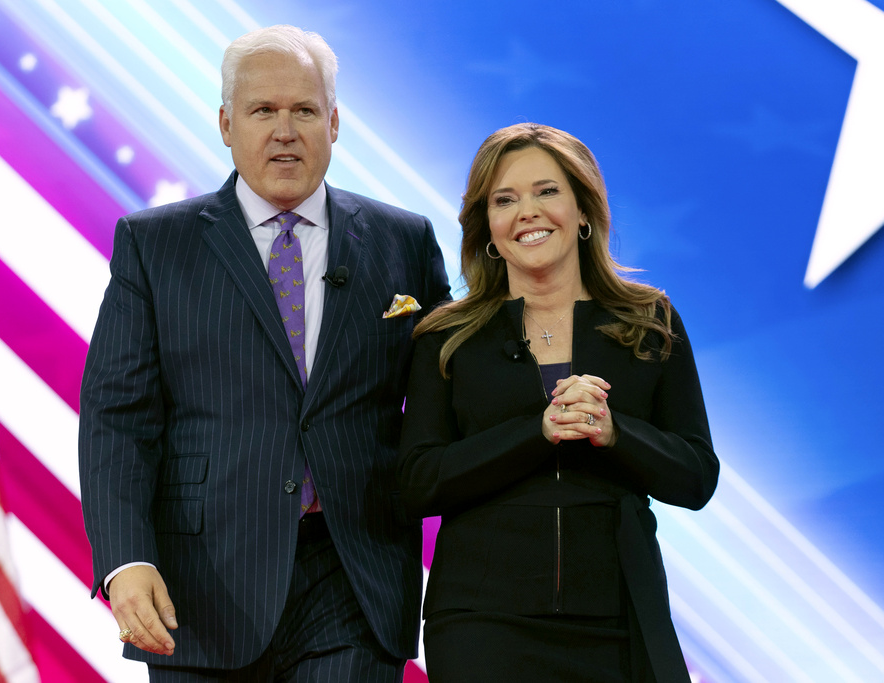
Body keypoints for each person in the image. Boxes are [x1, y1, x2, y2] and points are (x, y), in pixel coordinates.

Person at [79, 24, 451, 682]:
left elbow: (448, 400)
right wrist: (125, 559)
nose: (286, 130)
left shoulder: (407, 242)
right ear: (227, 123)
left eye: (304, 110)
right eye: (263, 110)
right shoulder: (154, 244)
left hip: (354, 579)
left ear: (334, 123)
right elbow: (118, 415)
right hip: (201, 585)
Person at [397, 123, 718, 682]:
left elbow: (695, 478)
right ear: (488, 230)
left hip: (619, 615)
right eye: (505, 199)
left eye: (547, 191)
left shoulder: (648, 323)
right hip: (483, 621)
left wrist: (614, 432)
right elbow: (418, 481)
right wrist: (536, 432)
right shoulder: (447, 337)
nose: (528, 211)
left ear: (584, 212)